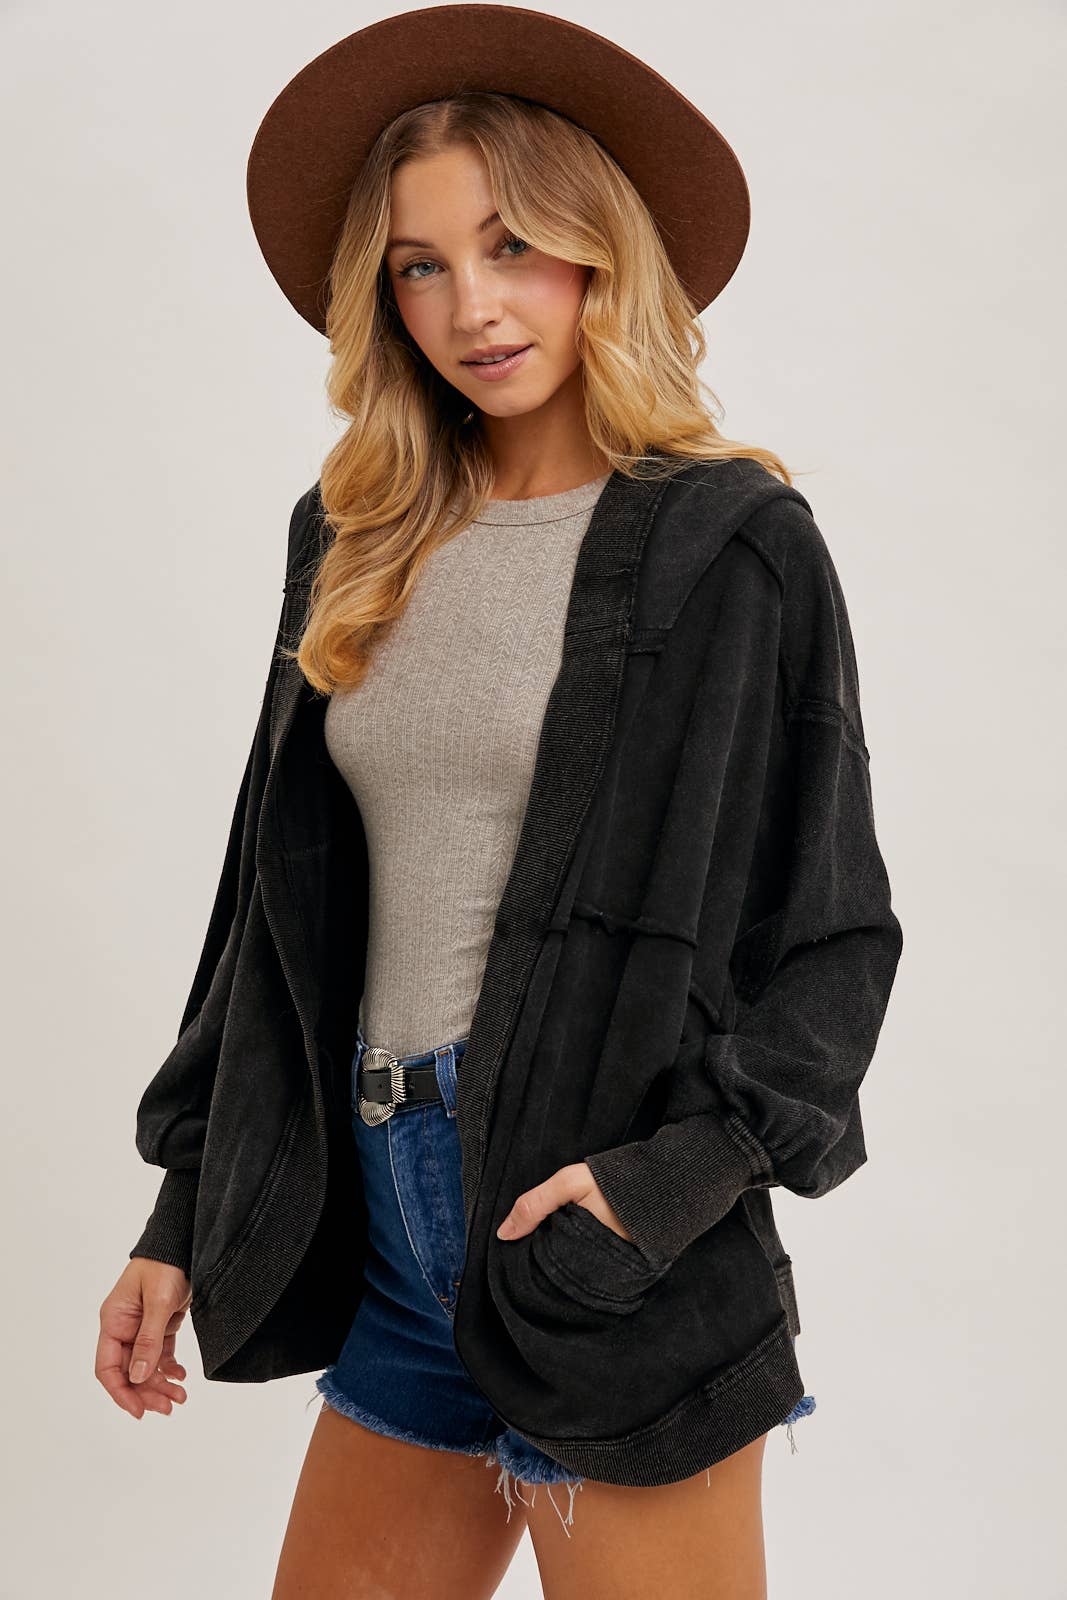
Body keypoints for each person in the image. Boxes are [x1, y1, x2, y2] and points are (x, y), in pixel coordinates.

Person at [96, 9, 901, 1597]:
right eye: (422, 264)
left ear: (602, 250)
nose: (471, 305)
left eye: (514, 245)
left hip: (600, 1236)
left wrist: (660, 1188)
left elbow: (832, 936)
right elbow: (268, 916)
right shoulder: (354, 534)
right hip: (382, 1219)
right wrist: (185, 1205)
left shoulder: (729, 544)